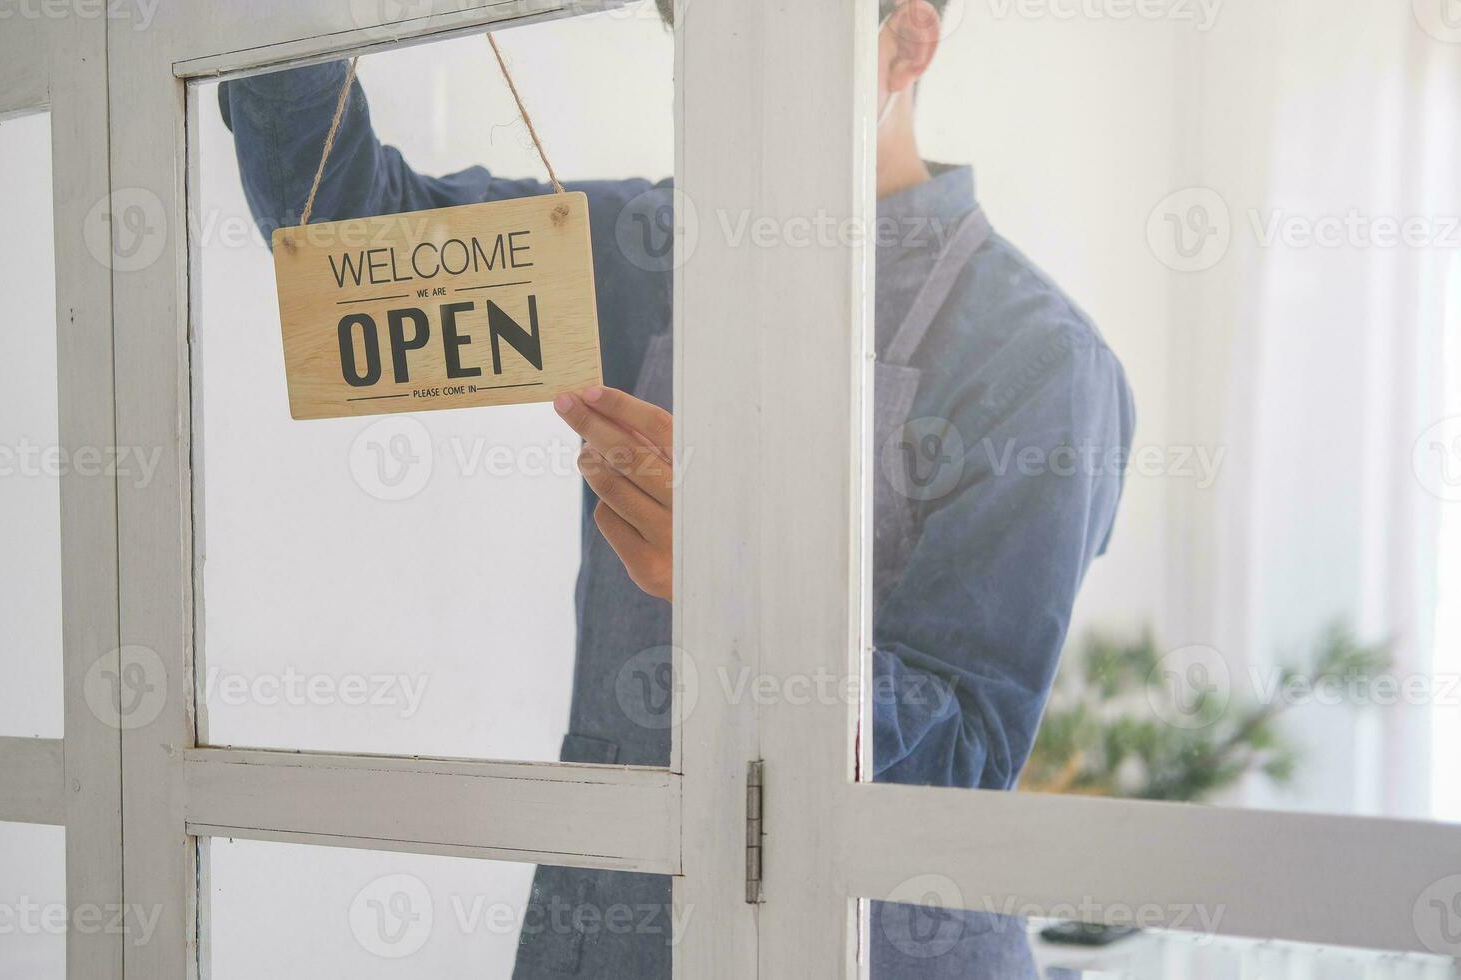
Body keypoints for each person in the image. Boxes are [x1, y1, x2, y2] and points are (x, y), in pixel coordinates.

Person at [219, 0, 1134, 974]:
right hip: (621, 920)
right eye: (695, 29)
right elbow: (343, 243)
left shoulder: (1041, 362)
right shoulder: (645, 251)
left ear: (906, 40)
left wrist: (733, 577)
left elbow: (961, 770)